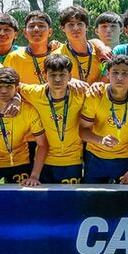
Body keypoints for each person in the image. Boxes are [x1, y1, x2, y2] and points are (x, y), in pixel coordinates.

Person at [78, 55, 128, 183]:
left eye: (125, 73)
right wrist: (101, 140)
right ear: (108, 74)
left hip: (126, 158)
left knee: (126, 196)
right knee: (91, 196)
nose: (120, 77)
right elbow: (83, 130)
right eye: (115, 73)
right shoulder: (96, 95)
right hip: (95, 157)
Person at [19, 54, 88, 184]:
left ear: (70, 76)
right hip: (45, 161)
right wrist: (14, 98)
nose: (57, 79)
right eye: (52, 75)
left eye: (62, 75)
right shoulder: (35, 93)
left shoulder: (80, 93)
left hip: (72, 161)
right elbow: (11, 85)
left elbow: (103, 91)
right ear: (45, 76)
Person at [4, 10, 57, 84]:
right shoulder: (14, 58)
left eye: (41, 26)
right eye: (31, 26)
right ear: (25, 33)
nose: (36, 29)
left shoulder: (58, 54)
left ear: (50, 32)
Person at [57, 6, 106, 84]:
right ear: (63, 28)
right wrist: (69, 80)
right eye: (71, 24)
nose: (76, 28)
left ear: (87, 27)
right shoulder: (58, 55)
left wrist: (101, 85)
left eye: (80, 24)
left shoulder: (100, 51)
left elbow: (110, 73)